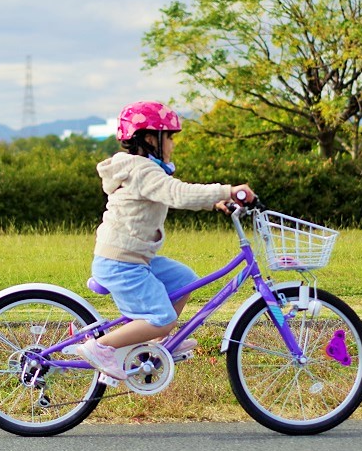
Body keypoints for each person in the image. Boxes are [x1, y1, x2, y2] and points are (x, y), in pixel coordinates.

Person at [76, 101, 253, 380]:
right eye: (169, 136)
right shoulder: (140, 170)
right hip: (121, 262)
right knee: (161, 318)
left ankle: (159, 342)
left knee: (185, 281)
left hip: (134, 258)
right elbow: (178, 194)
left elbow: (174, 191)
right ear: (150, 139)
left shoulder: (144, 170)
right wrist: (229, 190)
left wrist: (215, 202)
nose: (171, 143)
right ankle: (101, 347)